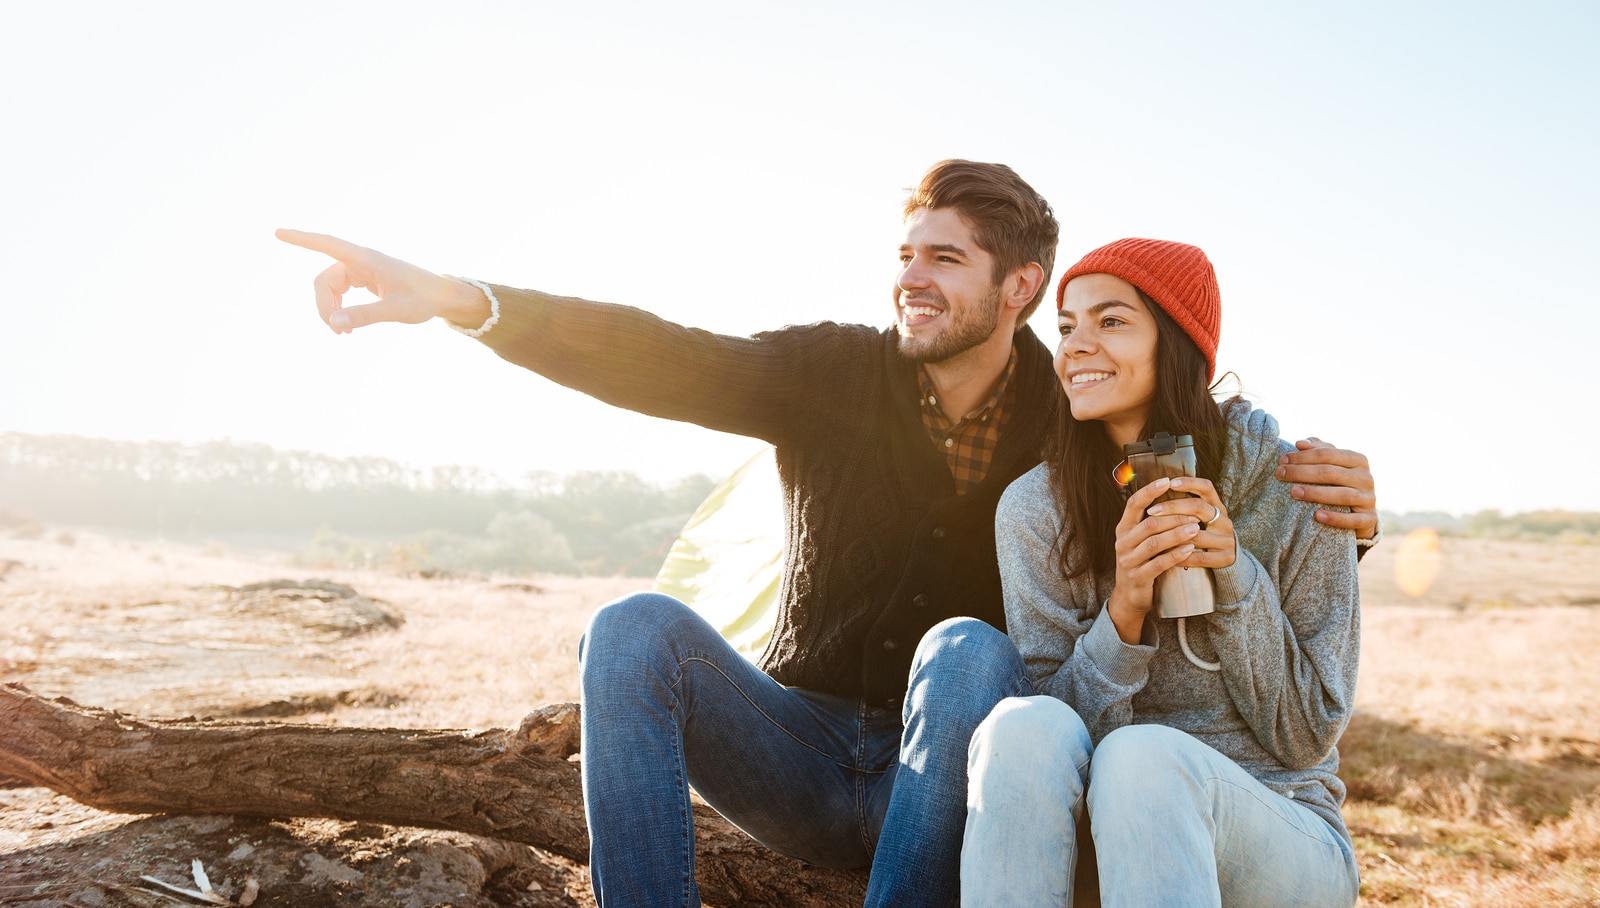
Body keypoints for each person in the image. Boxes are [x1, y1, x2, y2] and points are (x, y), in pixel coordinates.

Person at [277, 162, 1378, 907]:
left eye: (942, 259)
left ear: (1016, 287)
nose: (909, 278)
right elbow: (661, 355)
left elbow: (1199, 443)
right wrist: (464, 300)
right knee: (629, 629)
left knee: (967, 650)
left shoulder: (1074, 415)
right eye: (905, 254)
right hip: (795, 749)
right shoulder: (828, 373)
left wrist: (1342, 520)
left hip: (946, 770)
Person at [961, 238, 1361, 908]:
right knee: (1021, 725)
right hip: (1108, 837)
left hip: (1282, 826)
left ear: (1178, 344)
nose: (1075, 345)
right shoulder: (1034, 507)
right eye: (1066, 327)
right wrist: (1123, 614)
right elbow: (1050, 752)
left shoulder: (1299, 487)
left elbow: (1307, 734)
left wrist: (1233, 577)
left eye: (1111, 320)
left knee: (1144, 757)